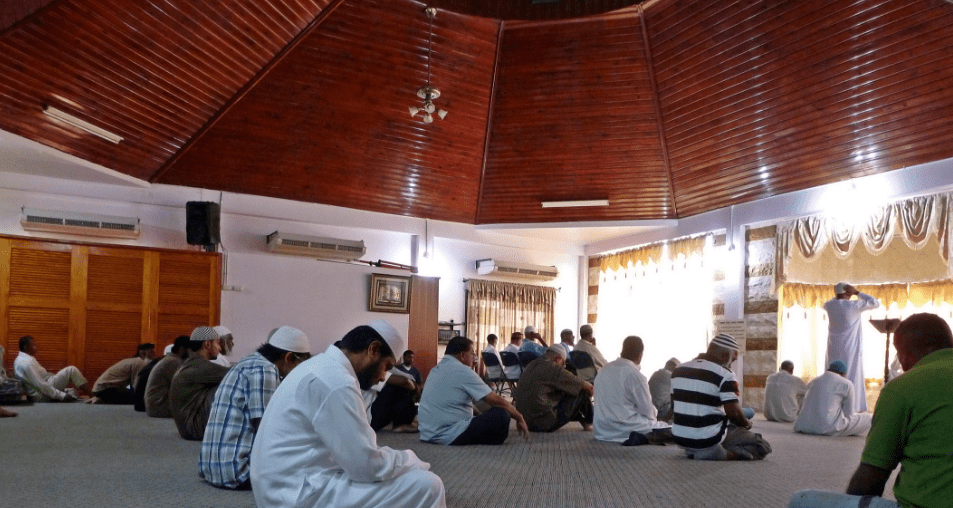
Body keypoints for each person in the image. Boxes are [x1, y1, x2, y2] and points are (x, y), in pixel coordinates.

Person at [251, 320, 446, 508]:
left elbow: (359, 455)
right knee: (427, 485)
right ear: (373, 350)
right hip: (296, 494)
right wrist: (412, 460)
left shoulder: (321, 366)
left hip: (285, 486)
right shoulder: (337, 381)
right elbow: (367, 467)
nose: (382, 377)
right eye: (386, 366)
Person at [790, 313, 953, 508]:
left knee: (801, 500)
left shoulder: (903, 387)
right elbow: (851, 413)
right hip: (834, 425)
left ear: (903, 355)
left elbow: (871, 478)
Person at [199, 326, 311, 490]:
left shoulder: (249, 362)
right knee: (313, 463)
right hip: (238, 471)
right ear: (288, 357)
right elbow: (266, 428)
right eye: (300, 364)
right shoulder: (265, 370)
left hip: (213, 469)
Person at [671, 333, 771, 461]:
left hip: (679, 437)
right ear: (725, 356)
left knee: (745, 413)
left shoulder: (678, 370)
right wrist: (746, 423)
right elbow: (733, 413)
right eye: (733, 360)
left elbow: (674, 405)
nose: (731, 364)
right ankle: (721, 453)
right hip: (708, 437)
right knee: (762, 445)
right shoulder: (726, 374)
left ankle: (697, 449)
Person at [419, 336, 528, 445]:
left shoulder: (436, 370)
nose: (474, 357)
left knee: (487, 411)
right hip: (448, 433)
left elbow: (479, 403)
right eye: (472, 353)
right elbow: (494, 399)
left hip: (427, 433)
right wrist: (519, 417)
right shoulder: (462, 370)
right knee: (501, 414)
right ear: (462, 355)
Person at [594, 336, 672, 444]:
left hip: (601, 431)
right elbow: (649, 413)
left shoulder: (604, 369)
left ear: (622, 351)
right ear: (640, 355)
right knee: (668, 429)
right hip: (625, 430)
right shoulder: (635, 374)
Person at [824, 282, 880, 412]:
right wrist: (857, 293)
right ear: (848, 293)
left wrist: (843, 293)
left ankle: (833, 407)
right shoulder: (853, 305)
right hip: (849, 349)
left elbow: (835, 299)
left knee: (833, 376)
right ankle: (851, 409)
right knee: (850, 375)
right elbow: (875, 303)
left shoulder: (828, 305)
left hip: (833, 349)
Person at [513, 345, 594, 432]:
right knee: (580, 391)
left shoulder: (532, 364)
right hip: (544, 424)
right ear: (558, 359)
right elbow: (589, 388)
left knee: (569, 389)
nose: (563, 366)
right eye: (563, 363)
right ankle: (591, 422)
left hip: (525, 422)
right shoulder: (553, 368)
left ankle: (584, 421)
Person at [169, 326, 230, 440]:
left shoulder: (189, 363)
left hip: (187, 428)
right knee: (231, 384)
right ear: (207, 344)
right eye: (217, 343)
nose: (220, 347)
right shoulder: (200, 366)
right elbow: (237, 373)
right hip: (194, 429)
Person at [794, 360, 872, 436]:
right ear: (843, 374)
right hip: (826, 428)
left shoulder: (814, 381)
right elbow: (849, 414)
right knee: (869, 418)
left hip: (802, 426)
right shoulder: (847, 384)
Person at [13, 335, 89, 402]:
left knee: (72, 391)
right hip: (40, 395)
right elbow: (40, 384)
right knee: (72, 370)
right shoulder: (26, 362)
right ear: (26, 347)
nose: (36, 347)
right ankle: (93, 395)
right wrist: (62, 396)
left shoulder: (23, 359)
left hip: (40, 389)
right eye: (33, 345)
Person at [88, 343, 155, 404]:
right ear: (142, 353)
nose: (154, 355)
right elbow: (136, 386)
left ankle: (103, 399)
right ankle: (102, 399)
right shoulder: (139, 363)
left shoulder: (134, 361)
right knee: (138, 398)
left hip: (101, 390)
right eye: (151, 352)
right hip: (105, 390)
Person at [144, 335, 191, 417]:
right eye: (191, 351)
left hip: (156, 405)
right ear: (182, 350)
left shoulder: (170, 359)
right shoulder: (174, 362)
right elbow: (185, 386)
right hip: (159, 407)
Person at [368, 367, 419, 433]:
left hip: (370, 415)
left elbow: (409, 377)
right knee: (398, 387)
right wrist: (414, 386)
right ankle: (401, 423)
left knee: (403, 384)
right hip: (366, 419)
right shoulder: (367, 368)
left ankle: (407, 421)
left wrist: (414, 384)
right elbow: (406, 382)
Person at [647, 357, 680, 422]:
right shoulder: (669, 375)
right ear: (672, 367)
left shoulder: (656, 373)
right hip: (660, 411)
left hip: (650, 409)